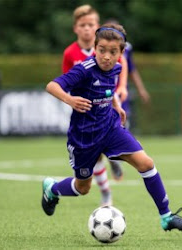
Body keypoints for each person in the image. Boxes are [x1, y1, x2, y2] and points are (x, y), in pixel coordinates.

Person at [41, 23, 182, 232]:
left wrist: (116, 105)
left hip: (110, 128)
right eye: (101, 50)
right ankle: (52, 189)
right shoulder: (84, 70)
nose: (106, 56)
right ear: (95, 48)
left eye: (113, 52)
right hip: (84, 137)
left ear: (121, 53)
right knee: (83, 187)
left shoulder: (117, 68)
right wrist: (70, 100)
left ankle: (166, 216)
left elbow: (107, 89)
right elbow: (52, 86)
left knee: (146, 164)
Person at [61, 5, 126, 207]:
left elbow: (121, 67)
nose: (87, 29)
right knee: (94, 159)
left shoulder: (107, 48)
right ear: (76, 28)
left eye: (91, 24)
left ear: (98, 27)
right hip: (86, 112)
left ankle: (113, 159)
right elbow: (65, 81)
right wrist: (73, 99)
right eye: (83, 25)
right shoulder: (71, 53)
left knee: (117, 136)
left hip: (107, 102)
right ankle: (106, 191)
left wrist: (121, 88)